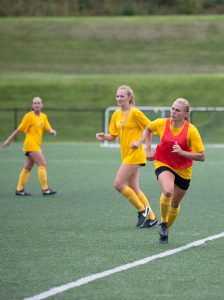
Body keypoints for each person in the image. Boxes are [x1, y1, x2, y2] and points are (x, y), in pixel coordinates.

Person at [143, 98, 205, 243]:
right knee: (168, 191)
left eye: (177, 110)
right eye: (172, 108)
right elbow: (148, 129)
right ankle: (163, 222)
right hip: (163, 163)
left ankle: (165, 229)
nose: (173, 112)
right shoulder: (162, 123)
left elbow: (201, 156)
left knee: (175, 204)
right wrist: (148, 149)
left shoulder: (191, 130)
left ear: (185, 114)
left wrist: (183, 153)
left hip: (183, 170)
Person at [96, 85, 158, 228]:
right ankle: (151, 218)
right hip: (126, 155)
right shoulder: (116, 114)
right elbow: (113, 135)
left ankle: (143, 210)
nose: (119, 98)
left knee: (118, 184)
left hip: (135, 155)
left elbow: (150, 129)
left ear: (129, 98)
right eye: (117, 96)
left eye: (122, 96)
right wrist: (104, 136)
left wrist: (140, 143)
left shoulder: (135, 113)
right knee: (134, 188)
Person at [2, 97, 57, 196]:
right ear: (32, 105)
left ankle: (19, 189)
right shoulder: (28, 116)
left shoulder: (43, 116)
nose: (37, 105)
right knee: (42, 164)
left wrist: (52, 131)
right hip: (30, 145)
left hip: (36, 145)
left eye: (38, 103)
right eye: (35, 103)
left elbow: (48, 127)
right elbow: (19, 130)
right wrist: (8, 140)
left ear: (42, 105)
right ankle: (45, 189)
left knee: (28, 167)